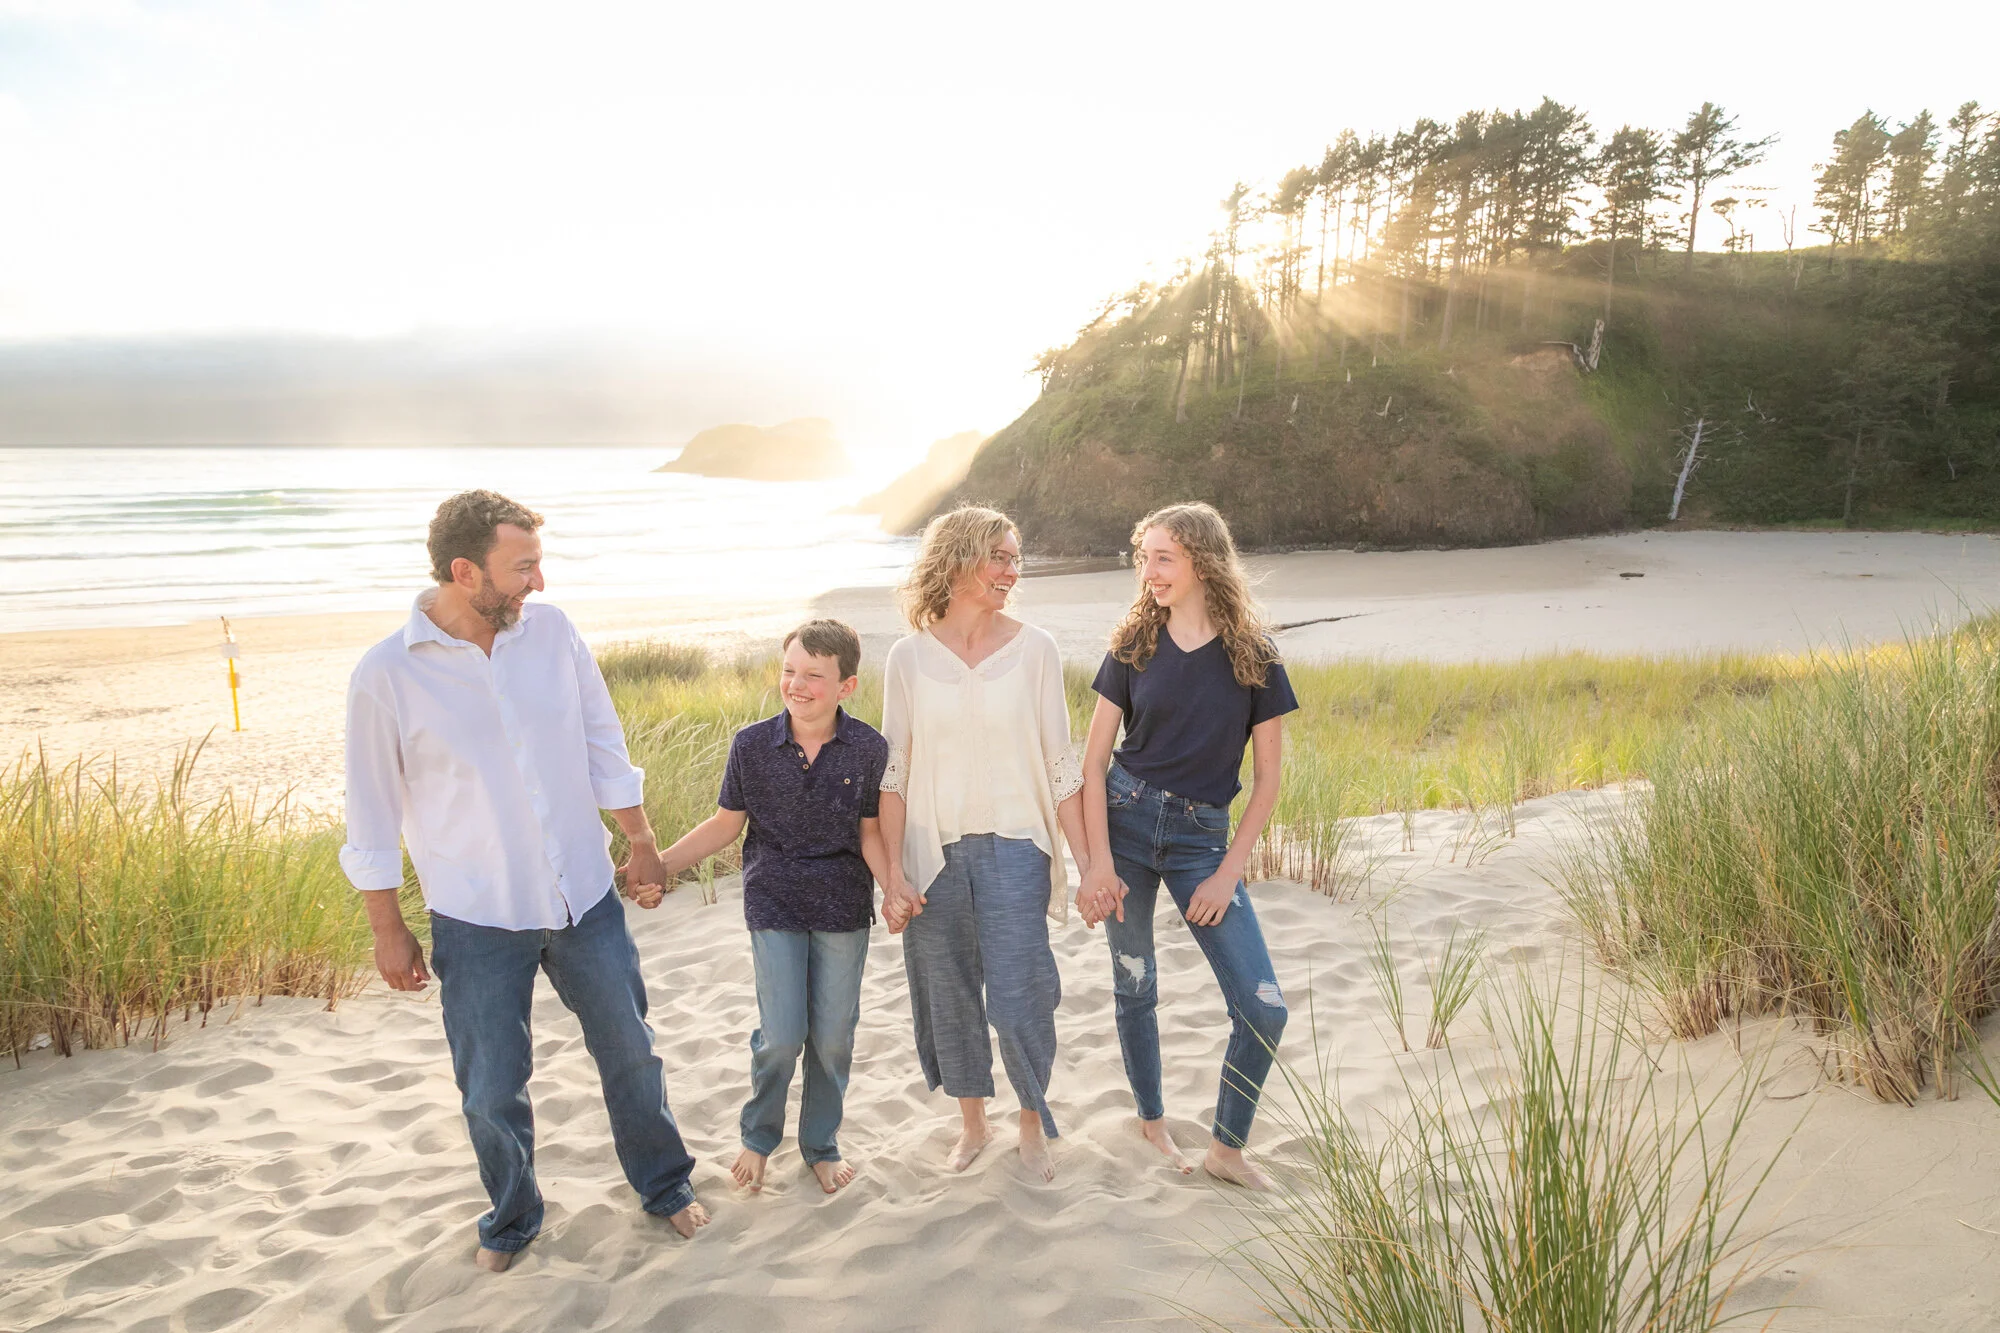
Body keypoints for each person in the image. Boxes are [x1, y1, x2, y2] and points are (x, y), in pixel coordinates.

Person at [340, 489, 707, 1272]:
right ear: (465, 569)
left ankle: (666, 1185)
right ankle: (511, 1218)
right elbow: (369, 814)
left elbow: (603, 738)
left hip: (584, 895)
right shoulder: (385, 674)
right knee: (490, 1088)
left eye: (538, 563)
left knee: (632, 1053)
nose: (537, 582)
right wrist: (385, 924)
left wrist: (638, 838)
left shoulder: (553, 633)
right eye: (522, 567)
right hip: (476, 917)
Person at [1075, 502, 1297, 1191]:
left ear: (1201, 559)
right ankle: (1151, 1119)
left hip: (1204, 841)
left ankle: (1227, 1148)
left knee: (1263, 1006)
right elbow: (1090, 764)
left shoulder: (1253, 655)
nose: (1150, 571)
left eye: (1162, 556)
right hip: (1126, 823)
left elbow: (1266, 783)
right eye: (1143, 557)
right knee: (1135, 984)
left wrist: (1228, 873)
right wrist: (1100, 862)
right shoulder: (1133, 644)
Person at [877, 506, 1088, 1182]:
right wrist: (892, 876)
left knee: (1023, 993)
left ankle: (1031, 1124)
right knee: (949, 991)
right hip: (930, 851)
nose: (1010, 569)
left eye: (1014, 556)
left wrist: (1090, 864)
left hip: (1018, 845)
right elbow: (894, 773)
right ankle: (972, 1123)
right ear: (960, 559)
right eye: (999, 555)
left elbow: (1062, 765)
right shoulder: (907, 658)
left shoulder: (1037, 650)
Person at [647, 620, 889, 1196]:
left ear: (846, 686)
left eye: (813, 676)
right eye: (789, 672)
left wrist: (896, 888)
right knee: (782, 1036)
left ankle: (821, 1145)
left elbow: (872, 835)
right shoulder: (752, 745)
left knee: (832, 1039)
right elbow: (726, 825)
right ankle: (759, 1137)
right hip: (774, 900)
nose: (797, 686)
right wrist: (660, 865)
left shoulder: (869, 748)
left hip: (843, 905)